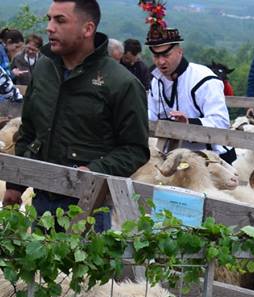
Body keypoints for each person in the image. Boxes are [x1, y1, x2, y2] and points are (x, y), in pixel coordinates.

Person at [2, 0, 149, 232]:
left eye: (60, 20)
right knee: (40, 267)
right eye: (49, 19)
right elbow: (29, 130)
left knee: (85, 267)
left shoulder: (121, 83)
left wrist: (96, 170)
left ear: (87, 29)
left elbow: (135, 149)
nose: (50, 27)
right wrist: (15, 184)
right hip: (40, 201)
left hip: (89, 209)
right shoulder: (43, 69)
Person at [145, 21, 235, 163]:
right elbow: (152, 115)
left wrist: (189, 122)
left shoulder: (204, 78)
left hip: (213, 159)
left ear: (180, 52)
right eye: (156, 56)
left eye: (166, 55)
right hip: (174, 158)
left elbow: (221, 122)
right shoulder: (156, 81)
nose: (161, 62)